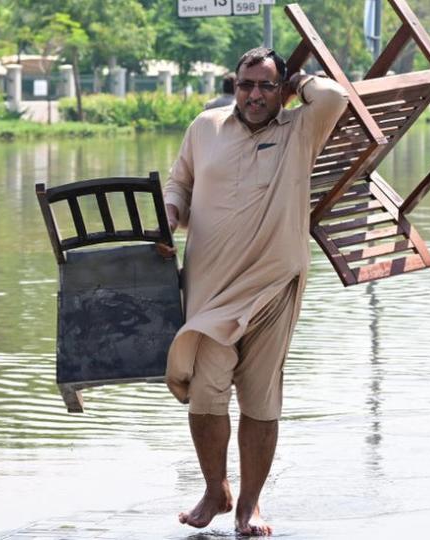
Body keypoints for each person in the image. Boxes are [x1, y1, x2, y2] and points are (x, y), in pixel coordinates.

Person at [157, 47, 348, 536]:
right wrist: (172, 213)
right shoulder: (205, 127)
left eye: (266, 85)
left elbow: (334, 96)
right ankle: (214, 488)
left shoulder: (301, 130)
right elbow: (179, 183)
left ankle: (250, 505)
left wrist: (298, 82)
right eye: (246, 85)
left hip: (272, 285)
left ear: (281, 89)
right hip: (210, 287)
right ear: (233, 86)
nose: (255, 95)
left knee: (261, 399)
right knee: (205, 392)